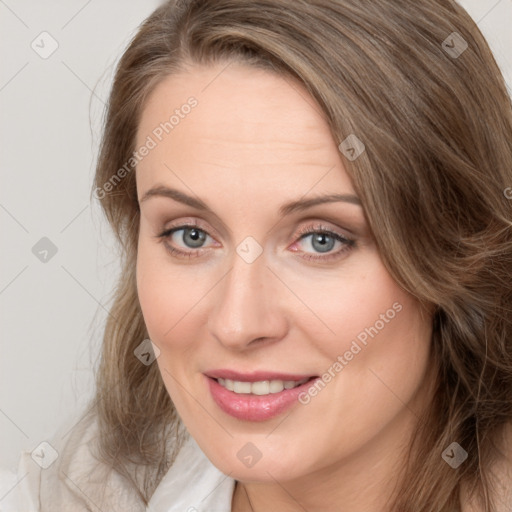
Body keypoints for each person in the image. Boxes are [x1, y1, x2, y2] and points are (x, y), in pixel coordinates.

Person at [2, 0, 512, 510]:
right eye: (191, 235)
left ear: (460, 255)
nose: (237, 323)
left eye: (321, 240)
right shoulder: (69, 494)